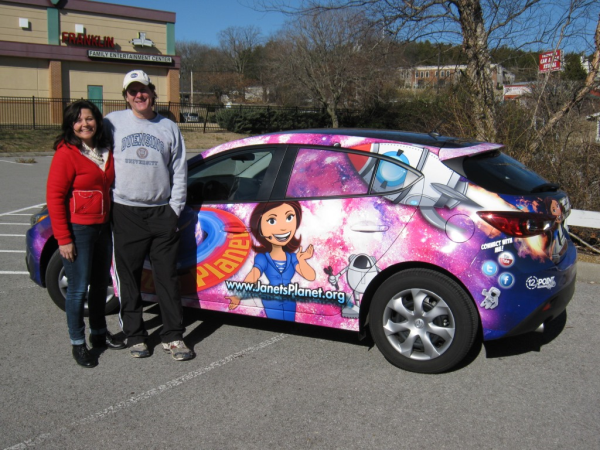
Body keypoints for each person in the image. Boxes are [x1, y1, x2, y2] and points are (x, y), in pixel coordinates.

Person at [104, 70, 193, 361]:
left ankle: (173, 336)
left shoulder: (168, 127)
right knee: (128, 278)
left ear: (152, 93)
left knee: (166, 277)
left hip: (161, 214)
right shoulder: (112, 123)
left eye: (143, 90)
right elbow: (95, 156)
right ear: (126, 96)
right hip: (126, 211)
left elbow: (179, 170)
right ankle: (136, 335)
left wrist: (174, 209)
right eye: (132, 91)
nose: (138, 95)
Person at [46, 100, 126, 369]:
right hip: (78, 230)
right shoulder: (66, 153)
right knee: (77, 290)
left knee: (99, 285)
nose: (84, 124)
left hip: (103, 227)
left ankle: (100, 334)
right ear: (71, 125)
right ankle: (78, 342)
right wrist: (64, 239)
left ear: (97, 121)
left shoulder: (105, 150)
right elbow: (55, 197)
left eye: (89, 118)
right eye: (78, 120)